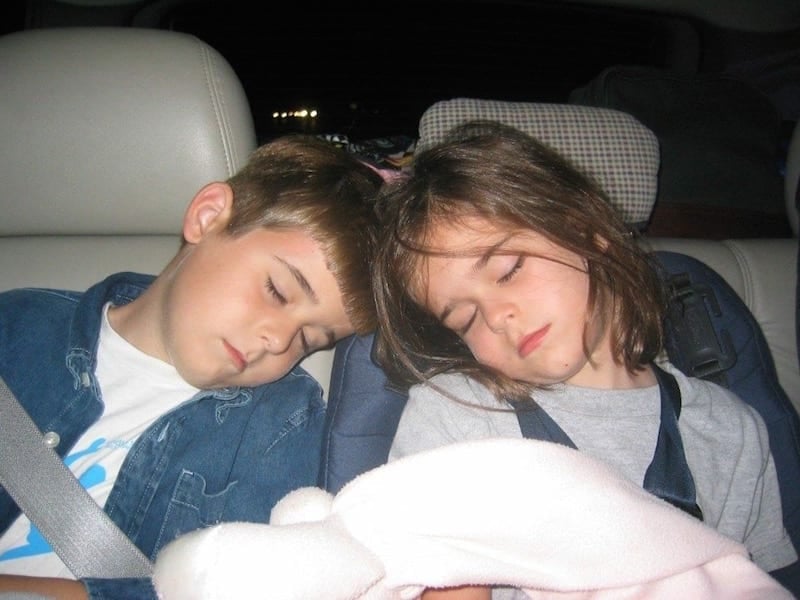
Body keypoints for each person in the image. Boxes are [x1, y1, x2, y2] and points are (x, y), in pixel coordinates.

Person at [371, 120, 798, 599]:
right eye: (464, 319)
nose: (496, 318)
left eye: (508, 270)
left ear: (588, 233)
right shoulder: (459, 414)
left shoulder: (729, 429)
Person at [0, 134, 384, 599]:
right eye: (278, 291)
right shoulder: (16, 328)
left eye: (311, 340)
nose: (280, 341)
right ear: (207, 218)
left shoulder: (281, 424)